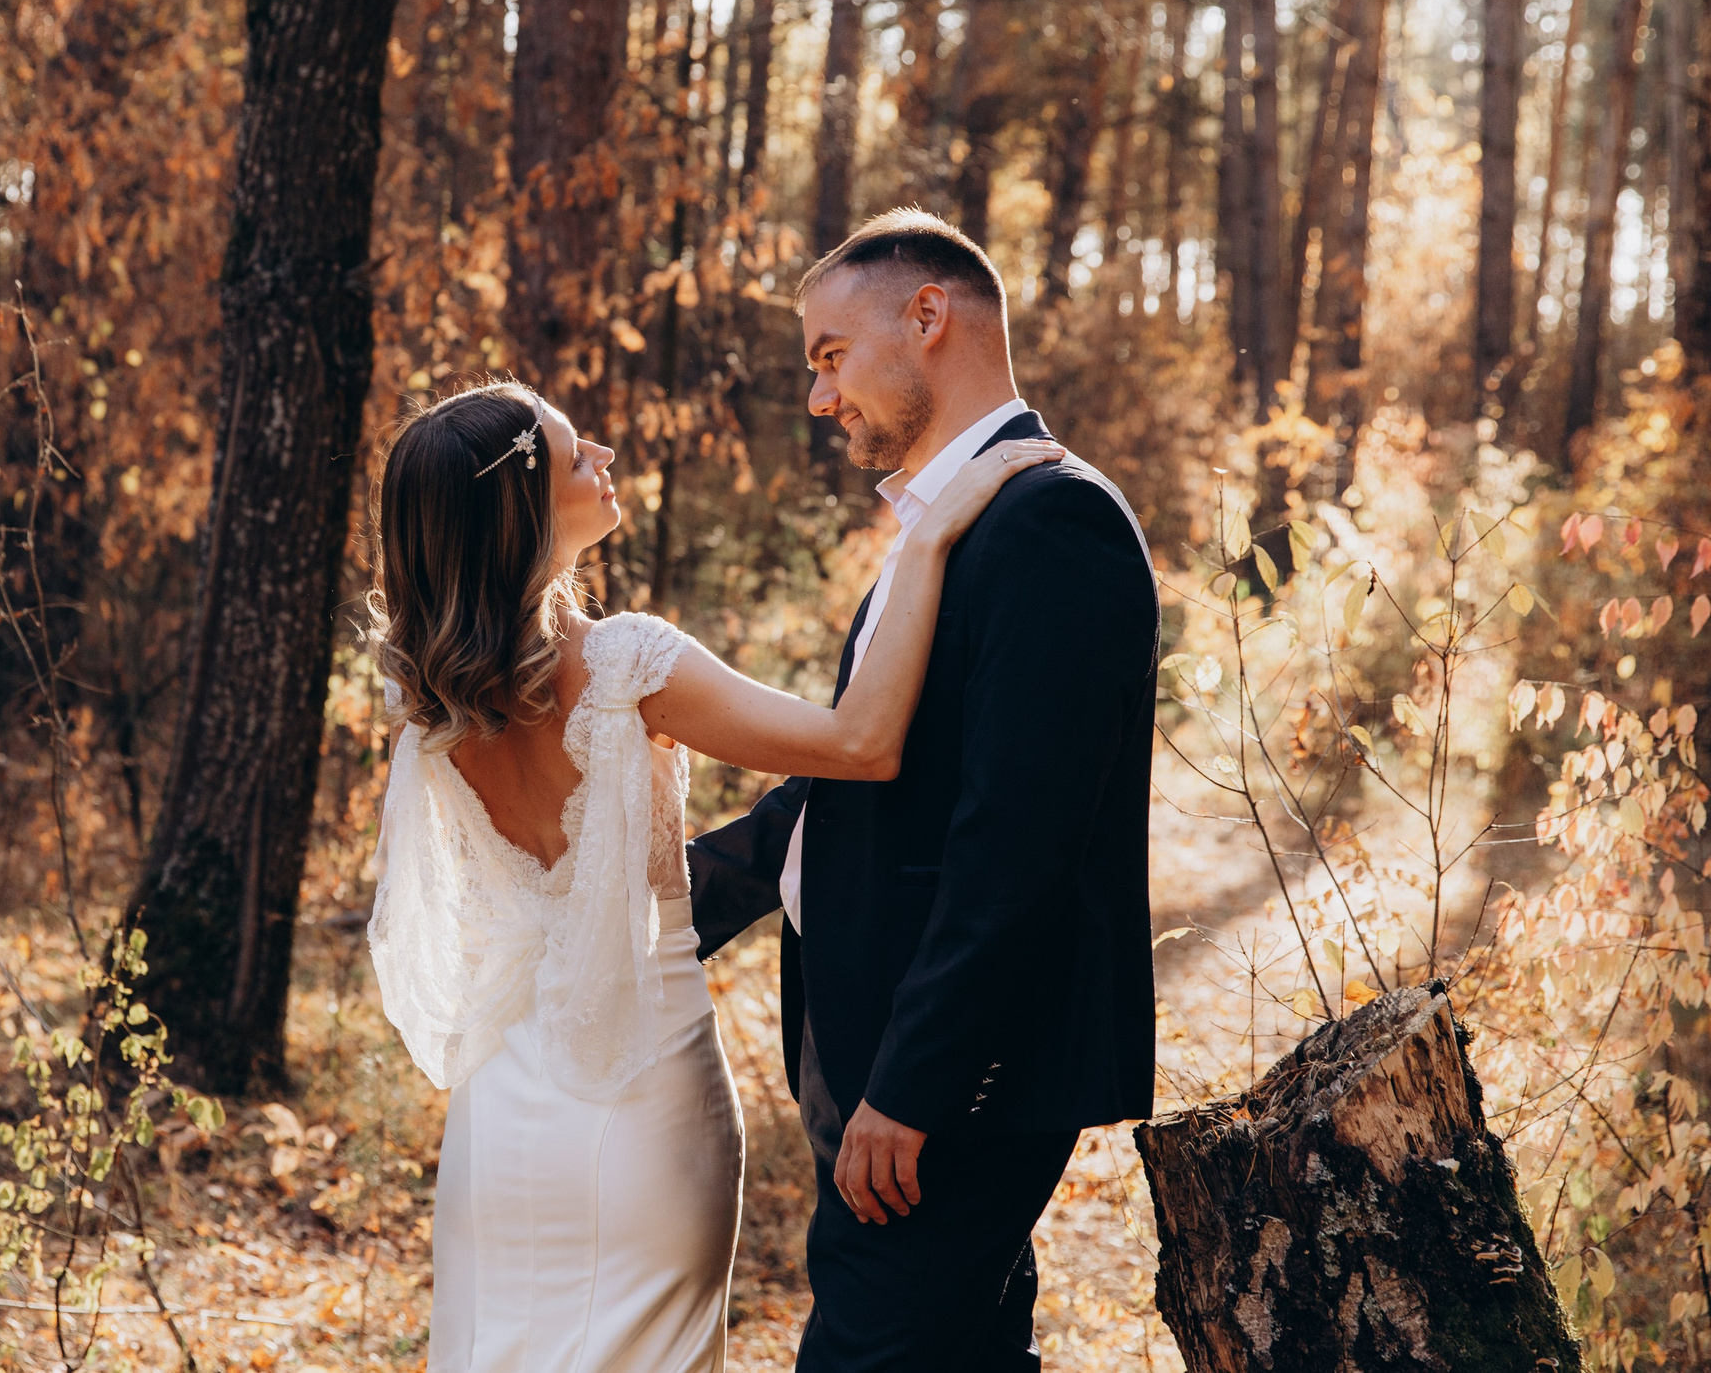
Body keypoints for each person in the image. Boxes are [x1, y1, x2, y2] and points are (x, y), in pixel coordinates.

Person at [365, 342, 1061, 1372]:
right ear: (519, 511)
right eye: (569, 452)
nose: (599, 450)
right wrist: (923, 545)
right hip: (639, 1094)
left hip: (499, 1120)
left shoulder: (426, 705)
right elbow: (859, 745)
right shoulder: (623, 663)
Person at [689, 207, 1160, 1370]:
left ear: (928, 316)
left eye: (829, 356)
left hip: (955, 1082)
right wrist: (652, 900)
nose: (818, 396)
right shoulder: (951, 524)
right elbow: (854, 782)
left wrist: (914, 1089)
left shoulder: (1054, 521)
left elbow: (1019, 847)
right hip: (891, 1050)